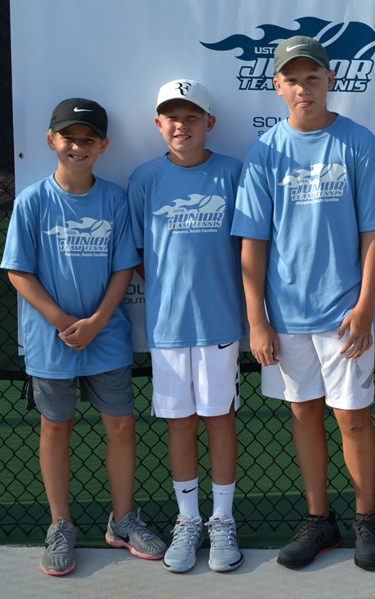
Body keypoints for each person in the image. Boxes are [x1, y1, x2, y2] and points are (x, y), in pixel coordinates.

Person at [232, 36, 375, 571]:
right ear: (277, 86)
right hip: (286, 316)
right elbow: (253, 243)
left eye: (312, 77)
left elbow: (374, 232)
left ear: (330, 80)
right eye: (292, 79)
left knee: (352, 419)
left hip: (345, 314)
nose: (303, 88)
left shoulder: (358, 142)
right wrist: (257, 319)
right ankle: (319, 519)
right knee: (304, 414)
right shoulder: (264, 151)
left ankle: (366, 519)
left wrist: (366, 305)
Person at [1, 98, 166, 576]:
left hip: (107, 335)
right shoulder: (32, 201)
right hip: (50, 340)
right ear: (51, 140)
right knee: (56, 427)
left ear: (103, 145)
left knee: (121, 426)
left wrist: (95, 322)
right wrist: (60, 320)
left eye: (88, 139)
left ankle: (123, 520)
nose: (78, 147)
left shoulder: (113, 199)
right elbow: (18, 271)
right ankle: (60, 524)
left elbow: (123, 268)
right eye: (69, 138)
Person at [127, 79, 245, 573]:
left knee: (219, 418)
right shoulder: (144, 178)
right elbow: (137, 253)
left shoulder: (233, 173)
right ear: (158, 124)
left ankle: (222, 520)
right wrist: (171, 290)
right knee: (180, 422)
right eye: (172, 117)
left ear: (209, 122)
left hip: (220, 322)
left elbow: (249, 247)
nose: (182, 125)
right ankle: (189, 519)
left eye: (192, 116)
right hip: (168, 326)